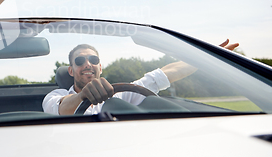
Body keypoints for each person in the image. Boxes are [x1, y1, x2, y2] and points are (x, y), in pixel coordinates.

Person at [43, 40, 239, 115]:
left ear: (100, 67)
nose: (87, 64)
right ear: (71, 71)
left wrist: (205, 59)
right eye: (80, 61)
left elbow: (164, 74)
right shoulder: (55, 96)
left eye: (93, 59)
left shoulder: (122, 94)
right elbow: (61, 108)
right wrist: (82, 96)